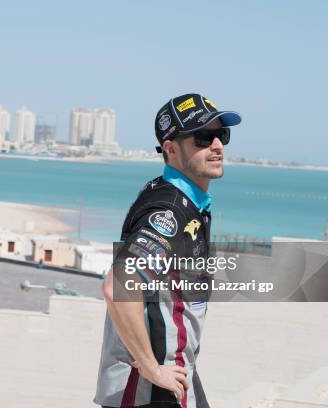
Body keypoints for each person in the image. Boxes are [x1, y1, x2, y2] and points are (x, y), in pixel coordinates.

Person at [94, 93, 242, 408]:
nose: (217, 145)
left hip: (174, 376)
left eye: (221, 135)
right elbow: (117, 287)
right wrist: (151, 368)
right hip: (148, 389)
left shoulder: (189, 203)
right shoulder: (169, 212)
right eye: (203, 137)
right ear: (171, 149)